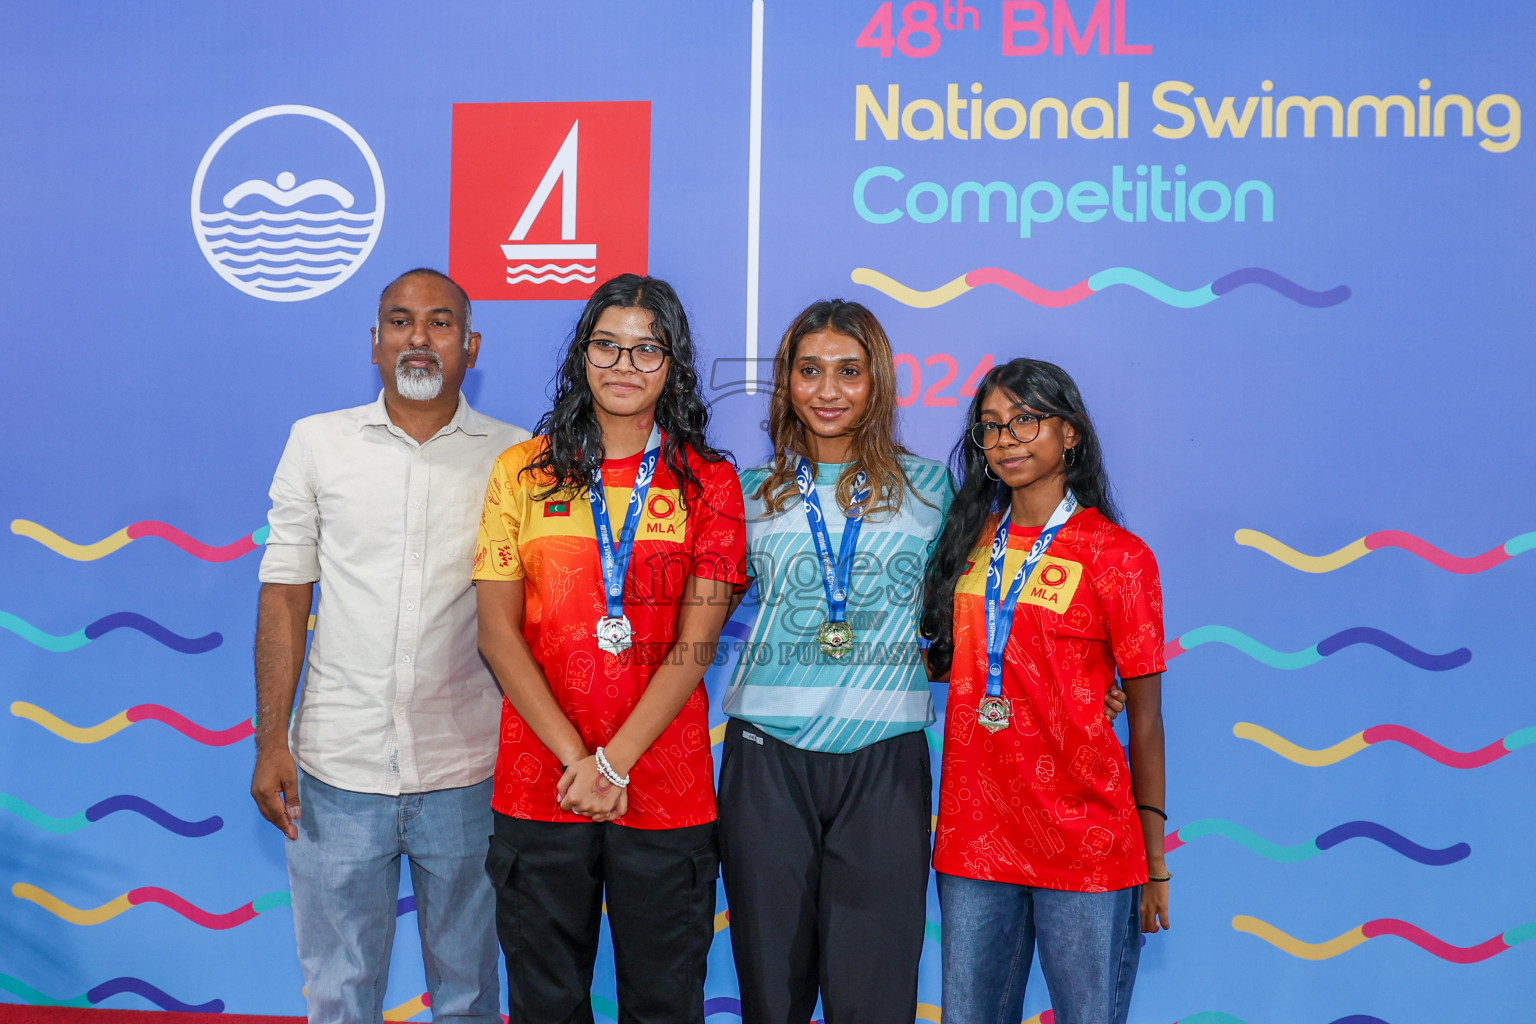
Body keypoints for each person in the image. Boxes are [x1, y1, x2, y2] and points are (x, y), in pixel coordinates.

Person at [251, 268, 529, 1024]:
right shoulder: (316, 443)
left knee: (470, 993)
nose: (418, 337)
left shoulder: (518, 460)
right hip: (334, 771)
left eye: (440, 323)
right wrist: (270, 740)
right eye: (399, 321)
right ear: (374, 342)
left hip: (467, 771)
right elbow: (284, 593)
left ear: (470, 346)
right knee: (340, 994)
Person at [473, 274, 748, 1024]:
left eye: (647, 349)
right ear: (581, 356)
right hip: (542, 782)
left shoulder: (710, 483)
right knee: (545, 1005)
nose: (625, 365)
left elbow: (697, 647)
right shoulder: (522, 472)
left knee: (664, 1004)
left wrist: (613, 762)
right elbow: (496, 634)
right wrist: (578, 762)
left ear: (674, 365)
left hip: (665, 783)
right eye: (607, 345)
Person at [716, 300, 953, 1024]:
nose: (828, 390)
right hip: (767, 760)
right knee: (771, 996)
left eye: (848, 372)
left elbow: (986, 616)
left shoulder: (933, 492)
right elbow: (686, 623)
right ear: (785, 383)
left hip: (884, 760)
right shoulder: (747, 496)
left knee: (875, 1001)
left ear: (877, 381)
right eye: (809, 371)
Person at [921, 358, 1169, 1024]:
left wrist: (1155, 863)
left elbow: (1146, 719)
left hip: (1085, 839)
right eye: (991, 427)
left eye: (1026, 420)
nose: (1007, 439)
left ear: (1071, 434)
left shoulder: (1119, 556)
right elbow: (946, 663)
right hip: (976, 837)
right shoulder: (965, 543)